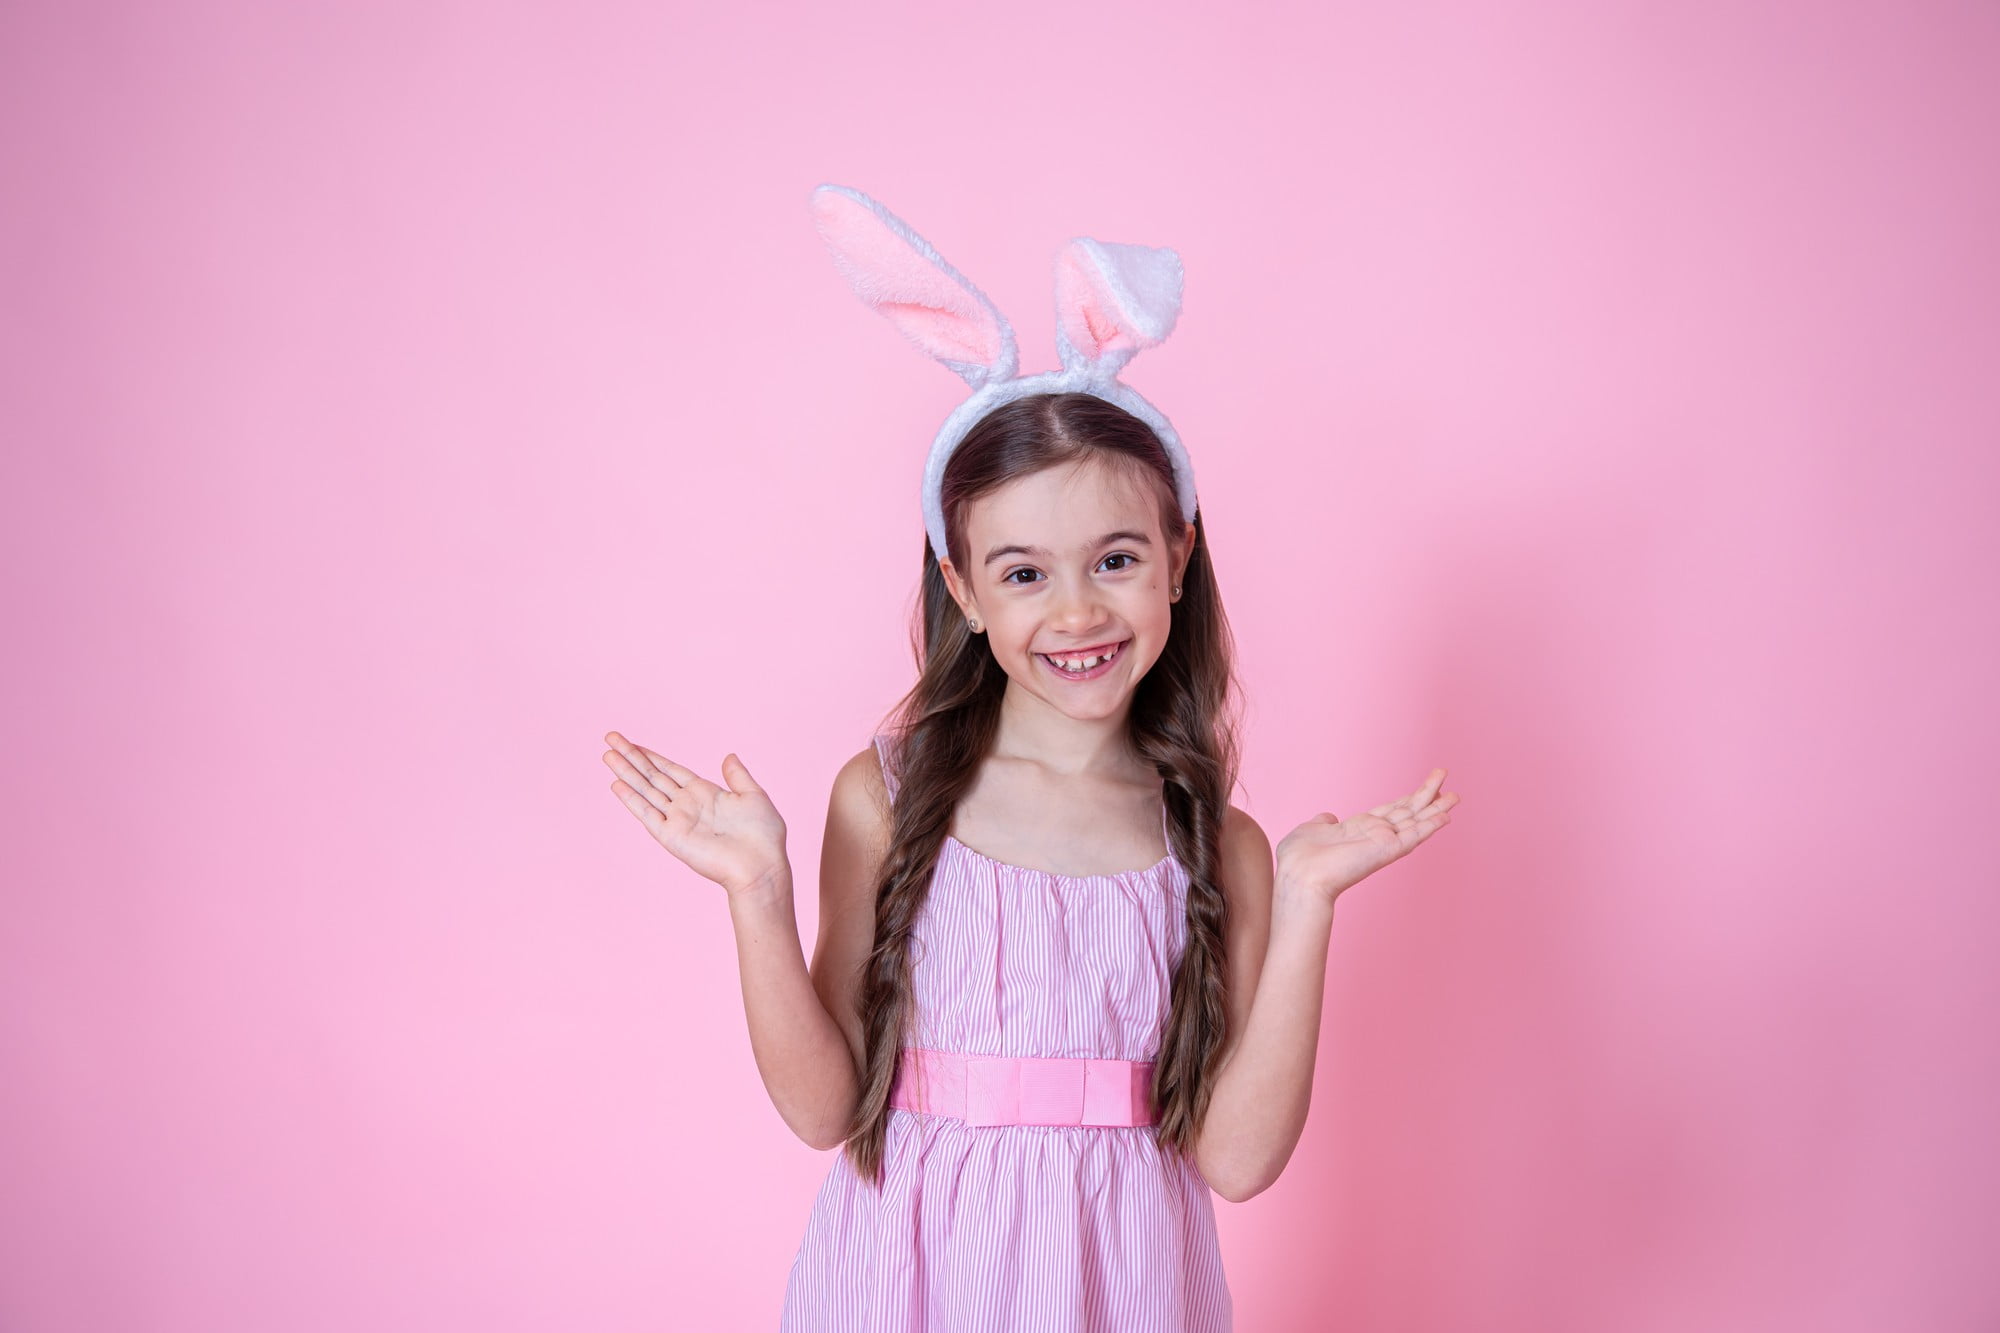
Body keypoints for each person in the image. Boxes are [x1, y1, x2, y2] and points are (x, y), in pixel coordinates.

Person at [601, 186, 1460, 1332]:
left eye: (1112, 558)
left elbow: (1238, 1160)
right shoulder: (888, 798)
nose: (1073, 611)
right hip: (904, 1286)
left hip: (1121, 1292)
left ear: (1175, 557)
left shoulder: (1217, 846)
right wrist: (756, 894)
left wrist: (1304, 901)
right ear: (958, 587)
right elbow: (822, 1111)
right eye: (1020, 573)